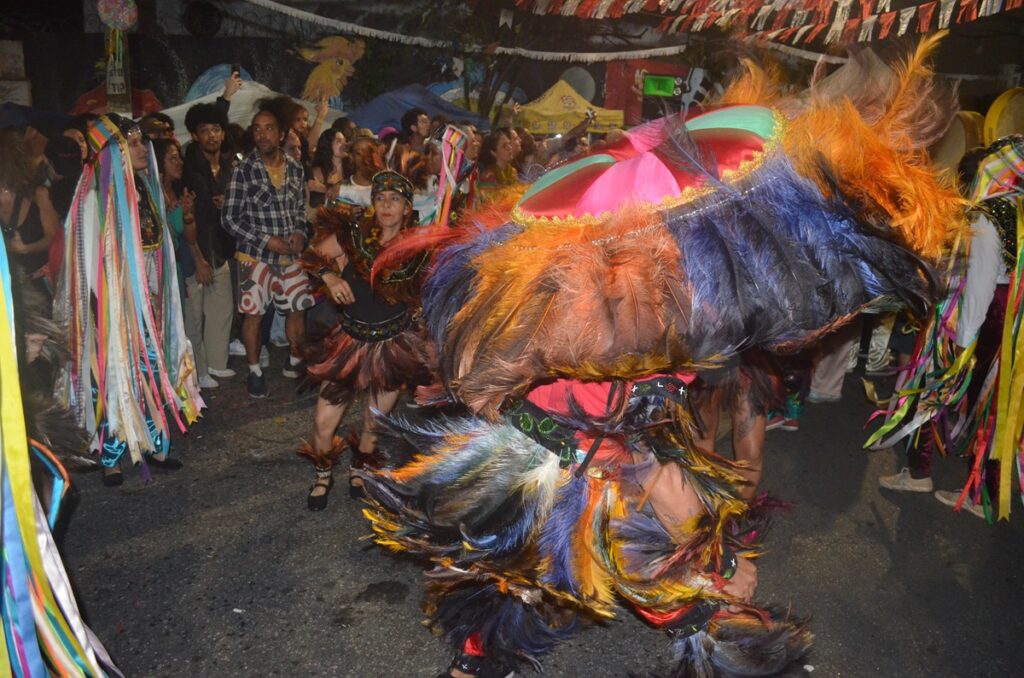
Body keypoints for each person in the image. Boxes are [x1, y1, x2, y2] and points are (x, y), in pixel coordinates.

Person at [354, 40, 962, 677]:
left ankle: (491, 650)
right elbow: (647, 474)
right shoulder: (637, 324)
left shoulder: (598, 300)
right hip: (562, 465)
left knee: (520, 582)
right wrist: (721, 564)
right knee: (671, 595)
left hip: (534, 450)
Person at [54, 114, 202, 486]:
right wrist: (109, 313)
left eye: (140, 142)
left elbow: (156, 250)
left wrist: (157, 296)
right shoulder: (94, 199)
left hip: (147, 306)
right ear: (113, 152)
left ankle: (153, 444)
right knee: (112, 378)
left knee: (150, 371)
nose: (142, 148)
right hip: (112, 313)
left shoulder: (144, 190)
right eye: (132, 143)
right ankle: (112, 457)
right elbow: (87, 269)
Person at [297, 170, 431, 511]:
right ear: (372, 203)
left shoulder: (417, 248)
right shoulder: (353, 235)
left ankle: (359, 468)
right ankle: (323, 473)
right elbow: (311, 256)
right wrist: (329, 277)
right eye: (380, 198)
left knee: (374, 423)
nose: (386, 205)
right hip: (348, 344)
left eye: (395, 199)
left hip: (392, 348)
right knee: (323, 423)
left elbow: (438, 285)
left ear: (407, 208)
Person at [222, 104, 313, 398]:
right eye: (257, 129)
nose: (262, 135)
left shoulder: (295, 167)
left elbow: (299, 209)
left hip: (291, 255)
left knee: (298, 308)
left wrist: (300, 232)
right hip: (255, 256)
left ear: (281, 133)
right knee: (254, 315)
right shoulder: (243, 170)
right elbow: (230, 218)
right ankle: (254, 371)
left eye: (269, 128)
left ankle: (295, 362)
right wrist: (265, 241)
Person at [182, 102, 237, 385]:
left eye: (216, 129)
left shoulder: (229, 168)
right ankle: (197, 372)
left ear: (223, 133)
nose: (211, 135)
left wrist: (229, 203)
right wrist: (198, 258)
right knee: (194, 318)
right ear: (195, 135)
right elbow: (184, 217)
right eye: (204, 130)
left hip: (222, 249)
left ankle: (216, 363)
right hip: (196, 252)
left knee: (222, 311)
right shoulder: (187, 171)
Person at [0, 130, 60, 297]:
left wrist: (26, 249)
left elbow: (53, 237)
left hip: (40, 287)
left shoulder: (38, 194)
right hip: (8, 290)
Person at [150, 138, 196, 328]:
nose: (180, 163)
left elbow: (190, 238)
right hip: (157, 271)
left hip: (176, 269)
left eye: (179, 158)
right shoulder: (150, 194)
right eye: (173, 159)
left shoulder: (179, 192)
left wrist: (188, 216)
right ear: (159, 162)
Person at [309, 127, 346, 209]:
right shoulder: (318, 171)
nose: (344, 145)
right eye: (339, 141)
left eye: (344, 141)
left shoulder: (349, 171)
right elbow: (314, 203)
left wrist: (324, 189)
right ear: (328, 145)